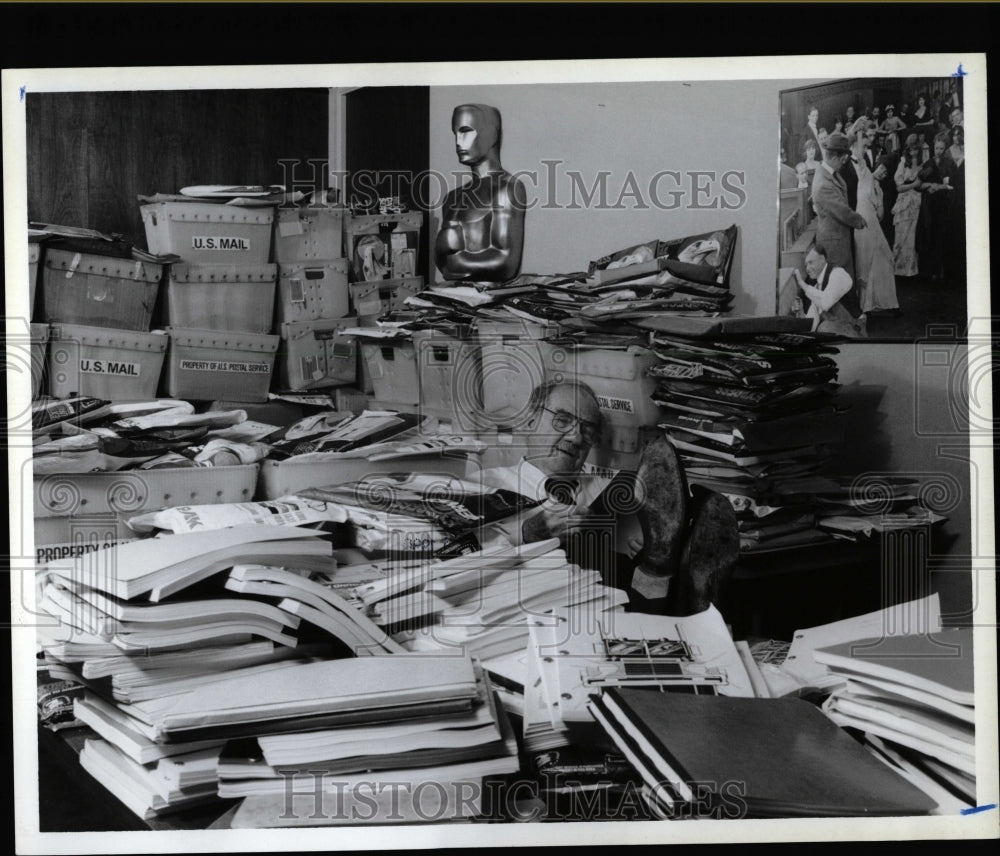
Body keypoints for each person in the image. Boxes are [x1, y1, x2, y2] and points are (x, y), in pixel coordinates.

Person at [477, 380, 738, 616]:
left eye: (587, 430)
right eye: (563, 420)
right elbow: (452, 558)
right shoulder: (484, 485)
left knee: (649, 551)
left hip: (616, 606)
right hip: (531, 607)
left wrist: (643, 547)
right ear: (530, 421)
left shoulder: (613, 487)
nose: (576, 436)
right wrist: (527, 534)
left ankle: (670, 574)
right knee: (575, 550)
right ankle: (683, 593)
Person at [435, 103, 526, 283]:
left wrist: (457, 261)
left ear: (491, 134)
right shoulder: (453, 197)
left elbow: (507, 264)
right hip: (456, 299)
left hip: (489, 300)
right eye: (456, 133)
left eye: (466, 131)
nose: (458, 142)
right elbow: (442, 264)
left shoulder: (507, 188)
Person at [848, 119, 899, 313]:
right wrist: (860, 132)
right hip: (862, 218)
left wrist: (879, 195)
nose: (883, 172)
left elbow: (881, 213)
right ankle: (865, 305)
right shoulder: (862, 169)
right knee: (865, 260)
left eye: (886, 172)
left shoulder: (876, 184)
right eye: (882, 168)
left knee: (884, 256)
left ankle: (885, 301)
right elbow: (859, 154)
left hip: (871, 220)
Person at [811, 131, 867, 281]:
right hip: (833, 247)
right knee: (838, 289)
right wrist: (860, 220)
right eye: (843, 160)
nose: (844, 162)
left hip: (839, 239)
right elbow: (842, 212)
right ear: (835, 158)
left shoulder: (828, 171)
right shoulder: (823, 184)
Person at [793, 243, 867, 338]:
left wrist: (802, 284)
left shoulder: (838, 274)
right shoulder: (816, 288)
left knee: (825, 328)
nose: (807, 268)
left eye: (811, 262)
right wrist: (800, 312)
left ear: (822, 259)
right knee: (822, 329)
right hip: (840, 331)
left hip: (855, 332)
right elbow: (812, 324)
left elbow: (825, 303)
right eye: (806, 265)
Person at [916, 134, 956, 283]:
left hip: (942, 205)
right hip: (929, 206)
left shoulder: (949, 164)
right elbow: (918, 185)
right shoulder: (928, 163)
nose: (938, 151)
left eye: (941, 148)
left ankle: (940, 272)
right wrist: (928, 185)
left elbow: (952, 186)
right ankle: (929, 271)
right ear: (933, 147)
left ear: (945, 148)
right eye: (936, 148)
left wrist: (938, 187)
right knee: (929, 235)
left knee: (941, 236)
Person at [892, 134, 924, 277]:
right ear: (907, 149)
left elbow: (922, 184)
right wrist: (913, 185)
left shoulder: (923, 163)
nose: (913, 152)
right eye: (911, 149)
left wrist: (919, 186)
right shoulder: (903, 163)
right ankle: (897, 270)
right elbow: (899, 187)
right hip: (904, 203)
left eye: (916, 149)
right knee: (901, 236)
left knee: (912, 237)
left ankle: (910, 271)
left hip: (916, 202)